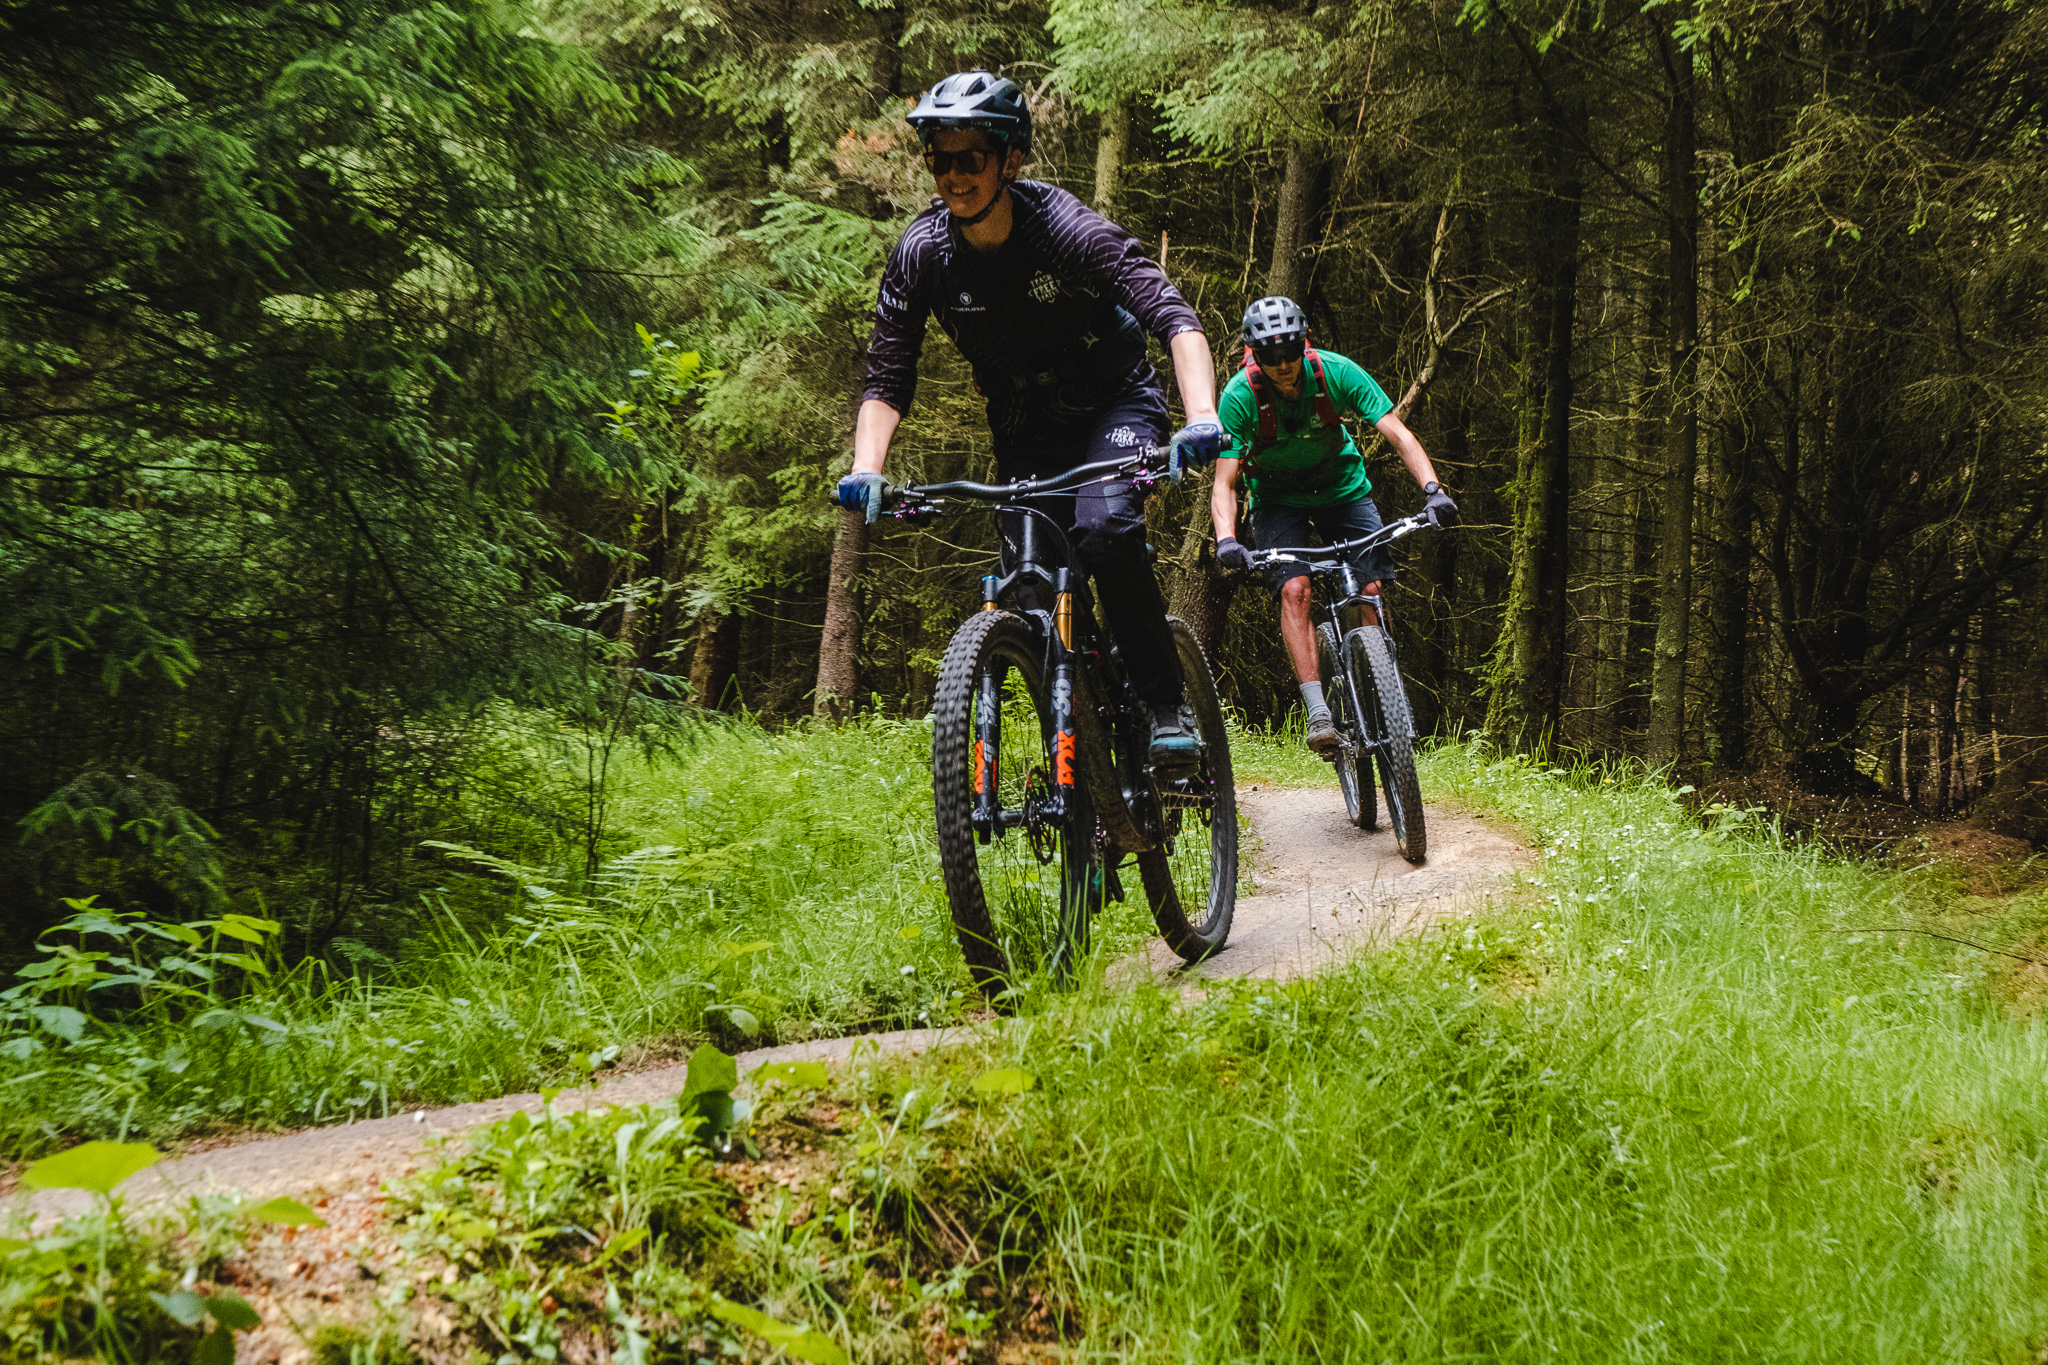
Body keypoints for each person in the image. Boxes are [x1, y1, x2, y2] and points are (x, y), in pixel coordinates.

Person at [835, 70, 1226, 762]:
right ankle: (1082, 776)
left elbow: (1174, 317)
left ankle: (1165, 704)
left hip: (1114, 403)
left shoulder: (1068, 232)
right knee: (1030, 589)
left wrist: (1200, 417)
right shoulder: (923, 254)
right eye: (941, 159)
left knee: (1104, 528)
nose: (954, 176)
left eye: (971, 160)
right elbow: (888, 375)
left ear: (1010, 160)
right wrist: (869, 467)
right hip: (1024, 425)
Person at [1210, 296, 1458, 753]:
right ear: (1255, 355)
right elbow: (1224, 482)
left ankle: (1378, 681)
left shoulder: (1337, 372)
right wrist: (1227, 538)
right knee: (1295, 590)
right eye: (1270, 356)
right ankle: (1318, 711)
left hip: (1342, 488)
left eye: (1290, 352)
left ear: (1304, 344)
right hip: (1277, 500)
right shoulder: (1240, 397)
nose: (1283, 365)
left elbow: (1399, 434)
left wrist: (1432, 490)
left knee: (1370, 589)